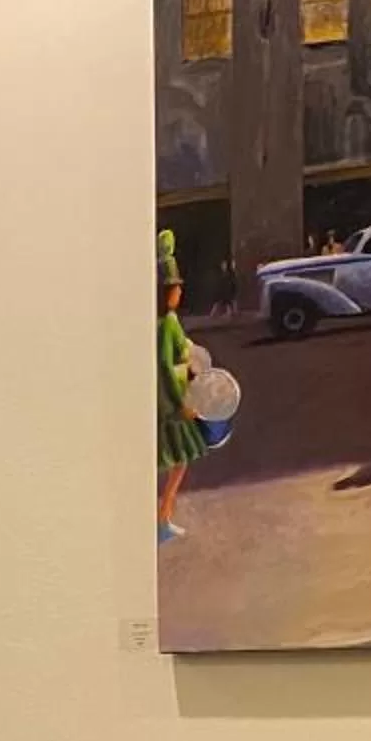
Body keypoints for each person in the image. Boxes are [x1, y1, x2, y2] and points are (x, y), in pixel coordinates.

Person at [155, 230, 207, 544]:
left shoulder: (165, 321)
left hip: (168, 399)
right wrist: (180, 402)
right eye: (175, 288)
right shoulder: (167, 322)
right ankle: (162, 518)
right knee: (175, 462)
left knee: (173, 463)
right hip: (169, 404)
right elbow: (164, 364)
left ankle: (163, 518)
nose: (179, 293)